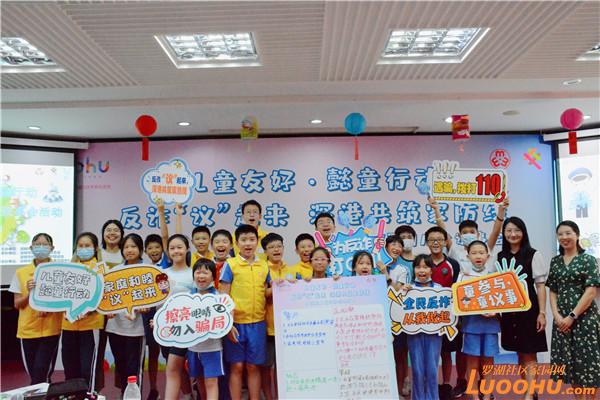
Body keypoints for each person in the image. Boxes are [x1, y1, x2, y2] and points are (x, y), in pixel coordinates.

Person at [546, 220, 600, 399]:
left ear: (577, 235)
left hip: (585, 320)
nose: (564, 237)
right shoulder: (555, 261)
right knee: (572, 366)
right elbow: (553, 290)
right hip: (562, 322)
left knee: (588, 365)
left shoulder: (588, 260)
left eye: (568, 233)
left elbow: (591, 292)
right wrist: (556, 315)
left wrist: (571, 316)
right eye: (560, 234)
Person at [497, 217, 548, 400]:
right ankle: (529, 390)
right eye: (509, 230)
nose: (513, 234)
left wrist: (542, 313)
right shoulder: (500, 256)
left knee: (529, 352)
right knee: (519, 353)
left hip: (529, 311)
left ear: (523, 232)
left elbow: (540, 286)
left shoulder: (533, 254)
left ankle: (529, 393)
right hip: (509, 312)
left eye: (517, 230)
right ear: (504, 233)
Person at [219, 225, 271, 400]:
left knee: (253, 367)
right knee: (237, 366)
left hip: (258, 324)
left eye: (251, 239)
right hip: (236, 325)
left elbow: (267, 291)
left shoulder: (264, 265)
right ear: (236, 243)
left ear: (257, 242)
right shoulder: (231, 264)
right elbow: (223, 295)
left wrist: (283, 286)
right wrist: (228, 324)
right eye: (243, 240)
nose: (248, 243)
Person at [9, 233, 63, 385]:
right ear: (31, 248)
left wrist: (49, 306)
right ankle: (42, 393)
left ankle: (39, 394)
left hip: (51, 329)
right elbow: (17, 304)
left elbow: (65, 300)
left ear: (52, 248)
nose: (41, 247)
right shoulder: (21, 273)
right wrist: (29, 293)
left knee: (41, 371)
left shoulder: (60, 271)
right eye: (37, 244)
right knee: (33, 372)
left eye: (45, 244)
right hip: (28, 330)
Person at [61, 232, 105, 391]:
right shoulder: (67, 268)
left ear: (95, 248)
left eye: (87, 246)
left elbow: (103, 296)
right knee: (70, 367)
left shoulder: (101, 269)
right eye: (80, 246)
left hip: (91, 325)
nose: (84, 249)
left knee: (88, 368)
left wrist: (89, 310)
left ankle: (88, 395)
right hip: (69, 324)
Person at [424, 226, 463, 400]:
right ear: (427, 242)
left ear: (445, 242)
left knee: (448, 351)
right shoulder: (422, 262)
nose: (436, 243)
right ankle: (432, 384)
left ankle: (448, 383)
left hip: (449, 316)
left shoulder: (453, 264)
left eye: (439, 240)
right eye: (432, 240)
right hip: (427, 317)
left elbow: (458, 289)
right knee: (431, 353)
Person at [105, 233, 147, 396]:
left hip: (136, 329)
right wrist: (108, 310)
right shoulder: (115, 271)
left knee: (133, 368)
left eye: (133, 246)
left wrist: (146, 307)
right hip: (115, 327)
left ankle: (134, 397)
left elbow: (154, 297)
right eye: (126, 247)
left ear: (140, 249)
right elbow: (107, 297)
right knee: (121, 365)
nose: (129, 250)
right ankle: (125, 395)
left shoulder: (147, 271)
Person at [458, 240, 499, 400]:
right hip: (471, 326)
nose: (478, 256)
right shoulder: (463, 276)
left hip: (491, 326)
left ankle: (487, 395)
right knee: (472, 363)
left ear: (488, 256)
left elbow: (502, 300)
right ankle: (474, 396)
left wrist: (496, 311)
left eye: (481, 253)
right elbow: (459, 301)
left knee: (488, 363)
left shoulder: (495, 276)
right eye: (474, 253)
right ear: (468, 256)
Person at [260, 233, 299, 400]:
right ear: (265, 251)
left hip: (288, 329)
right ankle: (270, 397)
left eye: (278, 246)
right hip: (268, 328)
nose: (276, 250)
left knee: (283, 369)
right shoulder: (262, 270)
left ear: (283, 248)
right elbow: (261, 294)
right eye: (271, 247)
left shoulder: (291, 270)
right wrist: (274, 288)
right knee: (266, 368)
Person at [428, 196, 508, 274]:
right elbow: (443, 232)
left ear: (478, 234)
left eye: (472, 232)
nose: (468, 234)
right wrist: (436, 209)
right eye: (465, 233)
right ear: (459, 236)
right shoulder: (455, 252)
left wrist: (501, 211)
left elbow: (495, 233)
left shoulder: (485, 248)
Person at [160, 234, 195, 400]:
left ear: (187, 249)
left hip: (188, 329)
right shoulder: (162, 274)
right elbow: (158, 301)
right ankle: (188, 395)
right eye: (172, 248)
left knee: (173, 366)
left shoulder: (194, 273)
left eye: (179, 247)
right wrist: (157, 319)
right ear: (168, 251)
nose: (176, 251)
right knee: (175, 366)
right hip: (166, 329)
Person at [405, 255, 444, 400]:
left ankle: (433, 397)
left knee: (432, 370)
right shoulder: (409, 289)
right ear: (414, 269)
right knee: (417, 370)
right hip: (414, 335)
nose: (422, 270)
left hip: (434, 335)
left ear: (431, 270)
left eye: (426, 267)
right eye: (418, 267)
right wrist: (403, 292)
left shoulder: (439, 289)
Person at [377, 235, 411, 399]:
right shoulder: (373, 265)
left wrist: (385, 274)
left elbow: (398, 290)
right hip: (377, 318)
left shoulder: (402, 269)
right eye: (393, 245)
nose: (396, 248)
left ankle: (401, 386)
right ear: (385, 247)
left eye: (399, 245)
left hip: (396, 318)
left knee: (400, 355)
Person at [188, 259, 226, 400]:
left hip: (212, 348)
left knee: (211, 382)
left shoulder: (219, 298)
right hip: (193, 348)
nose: (201, 276)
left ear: (213, 277)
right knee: (199, 380)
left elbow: (226, 319)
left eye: (205, 272)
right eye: (198, 272)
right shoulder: (187, 297)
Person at [96, 219, 125, 392]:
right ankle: (95, 390)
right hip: (97, 312)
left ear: (121, 234)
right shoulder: (95, 253)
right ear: (103, 234)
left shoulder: (126, 253)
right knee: (97, 353)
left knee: (120, 353)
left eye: (116, 230)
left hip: (120, 312)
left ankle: (124, 389)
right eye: (108, 230)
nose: (112, 233)